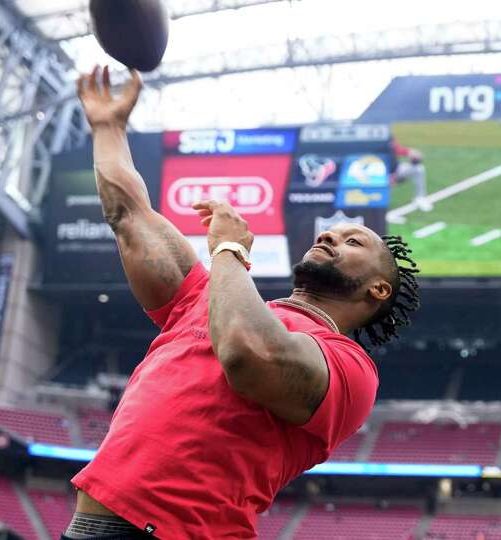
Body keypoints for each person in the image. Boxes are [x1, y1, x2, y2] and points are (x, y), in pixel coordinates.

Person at [65, 66, 420, 539]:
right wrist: (109, 128)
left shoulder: (350, 370)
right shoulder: (208, 296)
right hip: (91, 525)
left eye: (354, 241)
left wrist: (229, 250)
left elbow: (247, 355)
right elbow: (128, 215)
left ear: (378, 289)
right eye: (331, 230)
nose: (331, 234)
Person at [391, 138, 430, 211]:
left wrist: (411, 152)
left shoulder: (387, 137)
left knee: (419, 168)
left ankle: (420, 197)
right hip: (378, 174)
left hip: (396, 169)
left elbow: (397, 149)